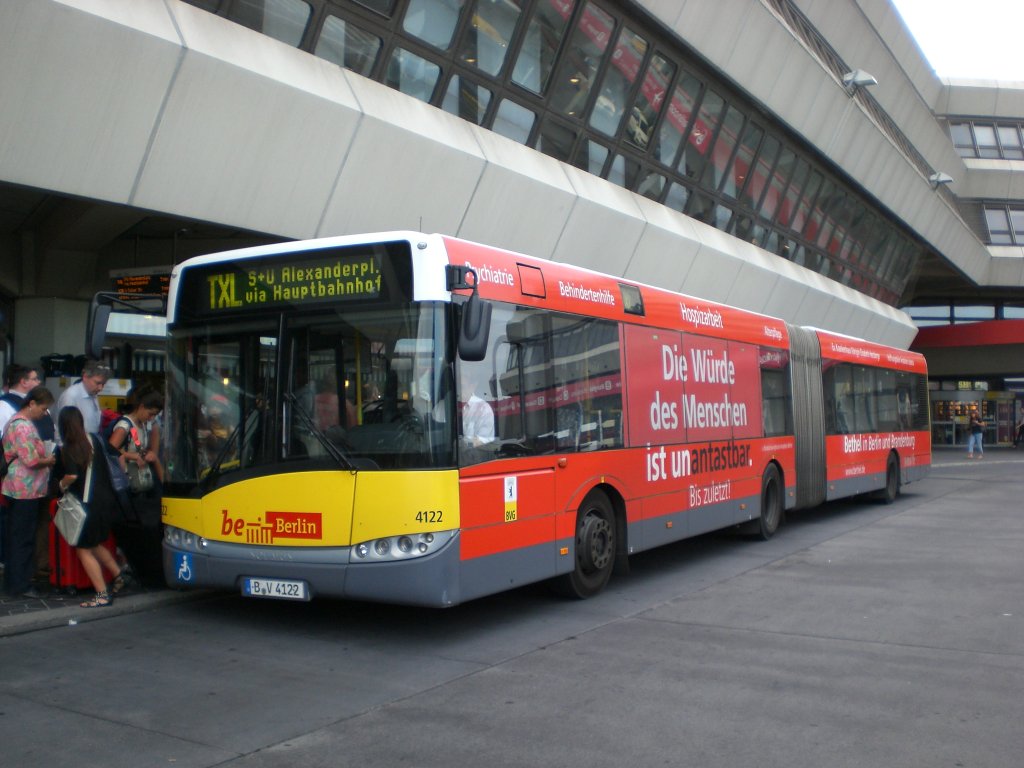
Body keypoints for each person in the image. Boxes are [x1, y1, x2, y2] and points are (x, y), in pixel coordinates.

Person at [54, 406, 128, 607]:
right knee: (95, 544)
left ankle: (102, 594)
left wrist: (60, 485)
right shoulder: (95, 439)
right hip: (105, 501)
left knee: (83, 549)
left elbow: (72, 476)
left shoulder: (69, 447)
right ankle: (119, 575)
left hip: (86, 506)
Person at [1, 386, 57, 598]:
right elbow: (31, 460)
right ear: (31, 403)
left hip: (23, 488)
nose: (44, 413)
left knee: (19, 536)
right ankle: (20, 584)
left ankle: (16, 582)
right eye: (43, 409)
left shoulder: (16, 423)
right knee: (22, 538)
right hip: (25, 488)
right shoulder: (22, 426)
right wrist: (48, 460)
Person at [108, 385, 165, 489]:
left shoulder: (139, 424)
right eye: (150, 414)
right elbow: (110, 451)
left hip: (136, 478)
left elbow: (136, 444)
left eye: (155, 415)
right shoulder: (124, 426)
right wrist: (133, 456)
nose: (152, 418)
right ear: (141, 407)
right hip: (124, 479)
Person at [54, 360, 111, 439]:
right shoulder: (70, 396)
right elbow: (65, 429)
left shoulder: (93, 394)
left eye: (103, 384)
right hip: (73, 446)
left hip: (89, 442)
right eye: (97, 383)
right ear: (85, 377)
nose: (100, 388)